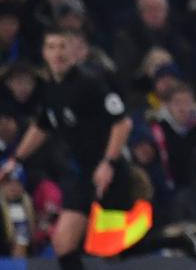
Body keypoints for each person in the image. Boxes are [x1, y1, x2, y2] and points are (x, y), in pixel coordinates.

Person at [0, 29, 134, 270]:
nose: (57, 53)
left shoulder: (90, 82)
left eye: (63, 46)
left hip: (109, 175)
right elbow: (42, 125)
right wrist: (16, 159)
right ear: (44, 53)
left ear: (74, 52)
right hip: (82, 174)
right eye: (51, 47)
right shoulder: (50, 88)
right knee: (63, 243)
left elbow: (122, 123)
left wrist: (109, 163)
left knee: (115, 249)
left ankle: (180, 241)